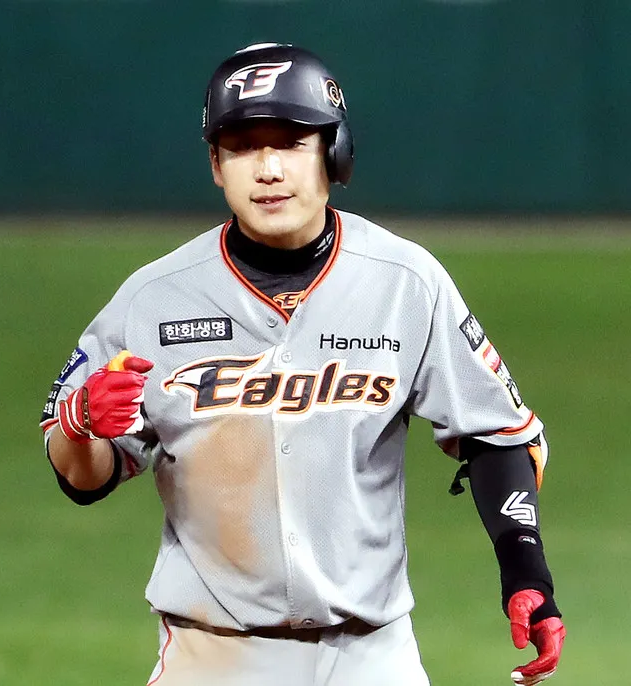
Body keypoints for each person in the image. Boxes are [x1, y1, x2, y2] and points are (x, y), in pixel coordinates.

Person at [38, 42, 565, 686]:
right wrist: (80, 424)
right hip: (214, 658)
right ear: (215, 165)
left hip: (373, 658)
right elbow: (82, 478)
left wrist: (527, 574)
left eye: (291, 143)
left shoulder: (405, 281)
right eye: (241, 147)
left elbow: (496, 435)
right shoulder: (153, 298)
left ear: (333, 154)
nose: (267, 169)